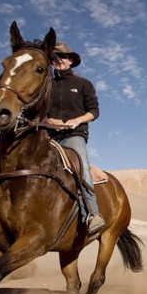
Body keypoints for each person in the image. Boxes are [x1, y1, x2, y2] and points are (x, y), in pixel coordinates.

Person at [47, 42, 105, 236]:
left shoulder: (83, 84)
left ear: (71, 60)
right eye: (54, 58)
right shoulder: (47, 85)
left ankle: (92, 214)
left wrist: (76, 121)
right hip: (48, 134)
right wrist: (48, 121)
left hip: (74, 135)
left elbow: (94, 111)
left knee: (81, 166)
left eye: (62, 57)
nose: (58, 61)